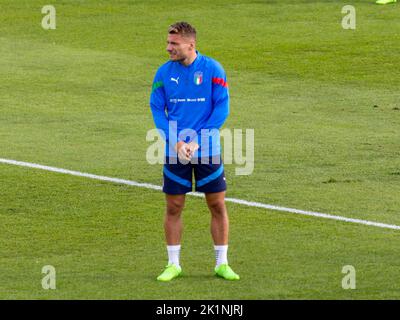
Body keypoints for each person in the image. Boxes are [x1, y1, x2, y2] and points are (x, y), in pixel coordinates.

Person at [150, 22, 240, 281]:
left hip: (207, 149)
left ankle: (222, 263)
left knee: (217, 203)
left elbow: (221, 107)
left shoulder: (213, 69)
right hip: (175, 150)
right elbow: (157, 108)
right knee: (174, 205)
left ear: (191, 45)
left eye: (173, 44)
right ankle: (173, 264)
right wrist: (175, 141)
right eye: (168, 43)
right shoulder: (163, 73)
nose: (168, 48)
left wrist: (198, 141)